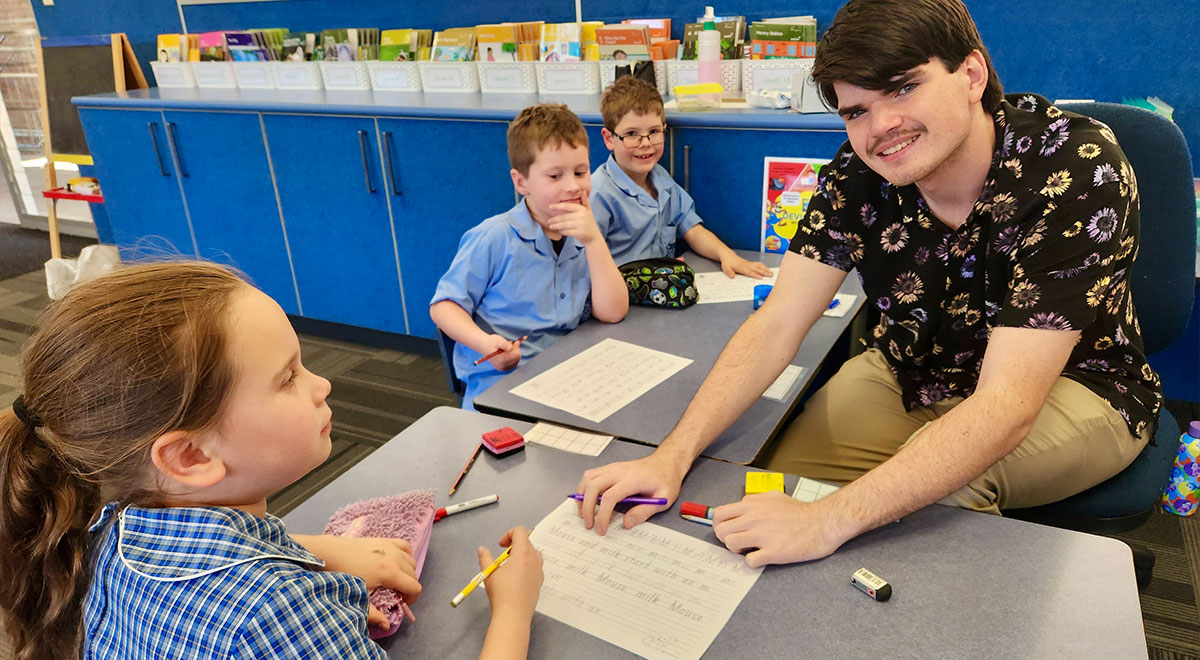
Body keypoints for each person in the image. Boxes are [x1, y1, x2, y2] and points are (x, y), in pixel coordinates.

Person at [575, 0, 1160, 568]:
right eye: (856, 111)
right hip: (917, 369)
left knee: (929, 499)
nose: (881, 127)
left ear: (971, 74)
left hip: (1073, 385)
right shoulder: (858, 174)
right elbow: (778, 321)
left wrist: (828, 522)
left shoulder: (1076, 167)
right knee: (768, 483)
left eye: (904, 87)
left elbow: (1006, 407)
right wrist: (670, 459)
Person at [0, 261, 544, 660]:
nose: (323, 384)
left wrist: (318, 554)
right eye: (288, 378)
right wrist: (513, 609)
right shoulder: (273, 614)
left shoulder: (108, 525)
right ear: (190, 455)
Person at [431, 104, 628, 410]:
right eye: (555, 176)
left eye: (581, 172)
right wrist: (485, 343)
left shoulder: (585, 231)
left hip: (569, 375)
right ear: (521, 182)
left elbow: (613, 312)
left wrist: (594, 241)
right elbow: (445, 306)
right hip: (502, 382)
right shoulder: (494, 237)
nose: (573, 186)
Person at [590, 76, 771, 278]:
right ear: (609, 139)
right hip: (622, 298)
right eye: (631, 133)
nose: (645, 143)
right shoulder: (599, 195)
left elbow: (691, 227)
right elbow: (589, 269)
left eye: (654, 131)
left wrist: (726, 254)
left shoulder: (660, 178)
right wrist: (652, 275)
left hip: (662, 292)